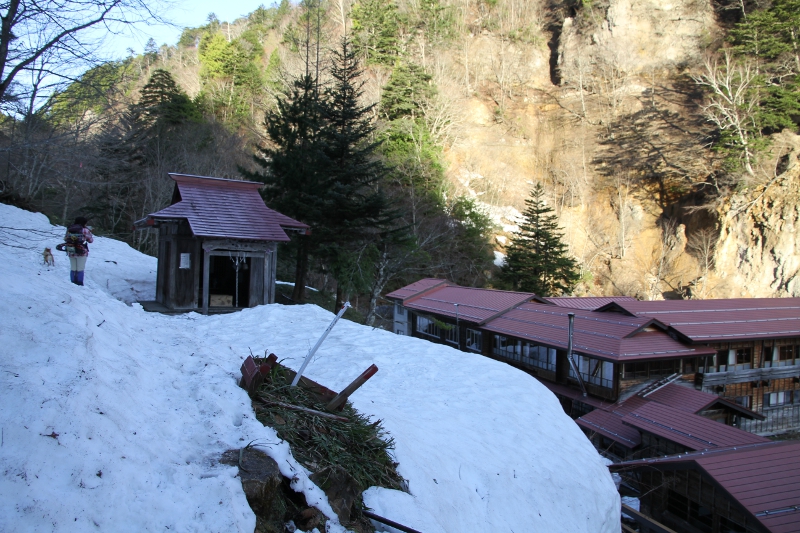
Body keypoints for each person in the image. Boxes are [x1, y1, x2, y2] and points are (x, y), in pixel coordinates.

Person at [65, 216, 94, 286]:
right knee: (80, 268)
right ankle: (79, 283)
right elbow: (91, 240)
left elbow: (66, 238)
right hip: (81, 251)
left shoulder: (69, 228)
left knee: (73, 268)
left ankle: (72, 282)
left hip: (71, 250)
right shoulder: (85, 230)